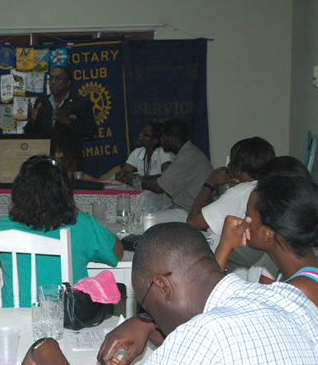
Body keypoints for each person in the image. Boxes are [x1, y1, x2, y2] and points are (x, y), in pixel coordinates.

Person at [22, 223, 317, 365]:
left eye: (147, 306)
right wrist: (148, 324)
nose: (154, 320)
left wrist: (45, 350)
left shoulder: (207, 335)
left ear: (163, 285)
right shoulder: (290, 299)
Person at [0, 155, 123, 307]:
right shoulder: (81, 224)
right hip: (63, 319)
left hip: (10, 319)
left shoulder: (2, 226)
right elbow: (117, 252)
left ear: (18, 191)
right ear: (65, 191)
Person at [215, 174, 318, 305]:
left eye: (247, 215)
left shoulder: (297, 293)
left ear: (267, 233)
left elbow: (208, 307)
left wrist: (224, 247)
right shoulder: (298, 270)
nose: (241, 220)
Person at [186, 137, 275, 270]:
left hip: (235, 259)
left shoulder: (240, 192)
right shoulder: (270, 186)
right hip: (258, 256)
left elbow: (192, 222)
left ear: (238, 168)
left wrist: (210, 183)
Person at [127, 118, 212, 223]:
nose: (160, 140)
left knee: (143, 221)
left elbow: (159, 187)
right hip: (186, 209)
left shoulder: (187, 157)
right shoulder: (187, 152)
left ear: (172, 137)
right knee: (145, 215)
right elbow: (163, 177)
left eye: (163, 136)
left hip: (190, 212)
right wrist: (138, 178)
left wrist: (134, 181)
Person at [24, 67, 95, 172]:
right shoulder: (42, 102)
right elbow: (30, 134)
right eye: (51, 78)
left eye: (58, 79)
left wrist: (68, 121)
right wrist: (32, 121)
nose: (53, 82)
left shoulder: (80, 102)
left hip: (70, 163)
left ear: (68, 83)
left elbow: (91, 133)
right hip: (44, 162)